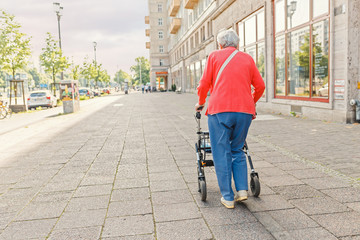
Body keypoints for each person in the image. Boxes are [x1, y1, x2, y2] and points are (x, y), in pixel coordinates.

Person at [195, 29, 265, 209]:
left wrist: (200, 102)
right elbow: (260, 86)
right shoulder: (247, 58)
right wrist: (251, 102)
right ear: (237, 44)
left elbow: (204, 85)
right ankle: (242, 190)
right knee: (237, 149)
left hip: (220, 111)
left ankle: (227, 196)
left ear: (220, 44)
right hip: (244, 112)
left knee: (221, 153)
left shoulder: (214, 56)